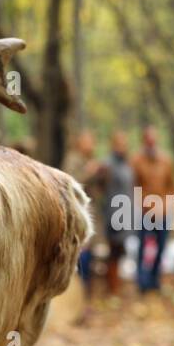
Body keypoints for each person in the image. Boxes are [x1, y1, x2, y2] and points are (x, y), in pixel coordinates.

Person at [62, 130, 106, 320]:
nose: (91, 145)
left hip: (92, 216)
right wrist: (89, 172)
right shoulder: (73, 160)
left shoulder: (92, 160)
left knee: (91, 262)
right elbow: (71, 182)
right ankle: (76, 303)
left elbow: (98, 190)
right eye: (87, 141)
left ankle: (86, 301)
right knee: (81, 261)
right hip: (78, 217)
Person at [130, 125, 174, 292]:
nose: (151, 142)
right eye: (148, 139)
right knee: (142, 246)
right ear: (144, 140)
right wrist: (146, 205)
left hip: (163, 211)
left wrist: (165, 205)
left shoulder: (166, 160)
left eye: (153, 139)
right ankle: (142, 281)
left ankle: (155, 278)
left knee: (162, 245)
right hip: (144, 211)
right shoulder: (136, 160)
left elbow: (172, 187)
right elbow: (134, 186)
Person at [103, 130, 135, 295]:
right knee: (114, 251)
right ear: (113, 145)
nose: (122, 147)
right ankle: (112, 287)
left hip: (125, 212)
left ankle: (117, 284)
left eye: (124, 144)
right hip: (113, 213)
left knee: (121, 250)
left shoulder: (126, 164)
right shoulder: (108, 164)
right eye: (119, 143)